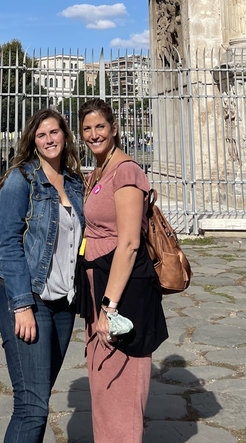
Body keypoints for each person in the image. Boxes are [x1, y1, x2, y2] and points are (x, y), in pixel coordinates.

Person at [0, 109, 85, 443]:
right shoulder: (21, 180)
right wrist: (22, 305)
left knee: (37, 400)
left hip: (64, 304)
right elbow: (8, 244)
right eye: (42, 135)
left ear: (65, 135)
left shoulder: (74, 182)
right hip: (30, 299)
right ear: (33, 140)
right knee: (32, 406)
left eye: (54, 132)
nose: (49, 139)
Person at [77, 98, 168, 443]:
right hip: (98, 289)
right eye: (87, 128)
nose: (93, 134)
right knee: (103, 388)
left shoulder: (127, 172)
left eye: (100, 126)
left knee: (120, 390)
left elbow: (129, 243)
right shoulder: (98, 171)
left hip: (121, 297)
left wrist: (108, 308)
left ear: (114, 128)